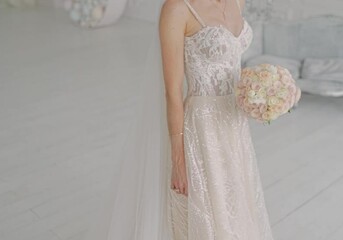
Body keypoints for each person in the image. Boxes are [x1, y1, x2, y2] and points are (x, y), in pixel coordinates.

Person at [83, 0, 275, 239]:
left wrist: (260, 93)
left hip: (235, 124)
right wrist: (178, 160)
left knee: (235, 202)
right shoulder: (177, 9)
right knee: (207, 211)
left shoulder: (237, 1)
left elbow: (231, 63)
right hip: (203, 127)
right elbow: (172, 91)